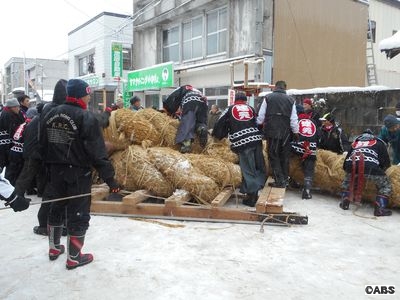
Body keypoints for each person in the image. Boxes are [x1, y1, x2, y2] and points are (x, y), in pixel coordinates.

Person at [41, 78, 120, 269]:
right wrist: (112, 181)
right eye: (87, 94)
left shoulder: (49, 114)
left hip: (54, 171)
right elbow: (98, 154)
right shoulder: (85, 117)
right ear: (80, 95)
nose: (88, 98)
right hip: (77, 174)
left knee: (56, 207)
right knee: (78, 214)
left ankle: (54, 247)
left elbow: (41, 146)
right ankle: (74, 257)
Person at [212, 92, 266, 207]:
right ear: (245, 100)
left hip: (243, 141)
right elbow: (259, 122)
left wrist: (218, 135)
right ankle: (256, 190)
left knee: (247, 168)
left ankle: (252, 197)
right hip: (257, 140)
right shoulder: (251, 109)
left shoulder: (230, 109)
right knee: (258, 166)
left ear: (235, 100)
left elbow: (219, 123)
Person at [257, 80, 299, 188]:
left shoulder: (268, 98)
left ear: (275, 87)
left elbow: (261, 116)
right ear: (285, 88)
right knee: (284, 156)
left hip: (272, 131)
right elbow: (294, 119)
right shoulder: (291, 100)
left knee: (273, 155)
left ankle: (279, 181)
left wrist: (258, 125)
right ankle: (284, 179)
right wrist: (296, 132)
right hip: (286, 132)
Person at [340, 130, 392, 216]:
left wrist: (349, 172)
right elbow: (386, 163)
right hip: (370, 166)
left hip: (351, 165)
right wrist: (379, 171)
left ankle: (345, 201)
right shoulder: (379, 142)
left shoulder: (355, 142)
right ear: (372, 136)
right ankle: (380, 208)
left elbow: (345, 163)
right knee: (385, 185)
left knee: (347, 182)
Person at [163, 85, 208, 153]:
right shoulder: (195, 90)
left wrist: (168, 109)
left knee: (186, 124)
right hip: (203, 101)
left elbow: (173, 97)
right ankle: (201, 128)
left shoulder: (182, 88)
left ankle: (186, 146)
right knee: (199, 122)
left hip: (190, 101)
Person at [291, 107, 319, 200]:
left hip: (299, 147)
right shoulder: (313, 121)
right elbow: (319, 135)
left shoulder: (296, 121)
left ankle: (288, 179)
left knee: (287, 153)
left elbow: (292, 133)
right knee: (309, 169)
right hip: (312, 149)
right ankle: (307, 189)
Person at [0, 99, 25, 170]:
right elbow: (12, 130)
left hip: (9, 144)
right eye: (17, 107)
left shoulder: (16, 113)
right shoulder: (6, 115)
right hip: (6, 144)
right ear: (12, 107)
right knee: (5, 162)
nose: (18, 108)